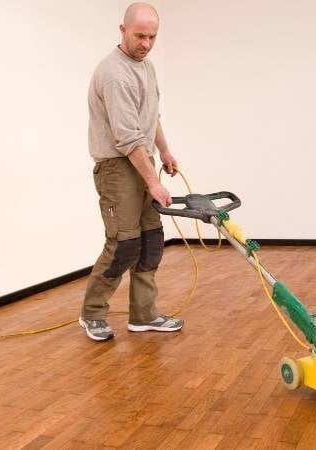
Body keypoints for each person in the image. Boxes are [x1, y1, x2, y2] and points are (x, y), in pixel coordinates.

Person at [80, 2, 183, 341]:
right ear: (122, 30)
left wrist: (164, 150)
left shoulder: (147, 67)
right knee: (124, 244)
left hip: (143, 160)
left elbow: (150, 117)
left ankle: (143, 315)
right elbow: (126, 137)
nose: (146, 44)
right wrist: (152, 182)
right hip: (117, 166)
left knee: (152, 241)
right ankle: (92, 313)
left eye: (152, 37)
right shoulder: (113, 73)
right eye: (140, 36)